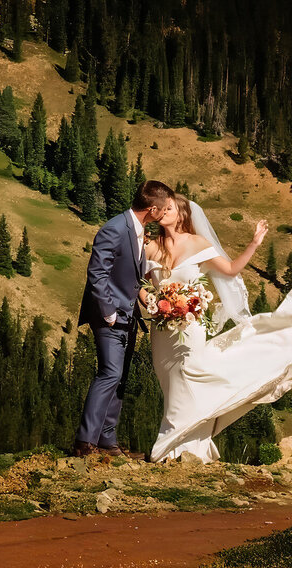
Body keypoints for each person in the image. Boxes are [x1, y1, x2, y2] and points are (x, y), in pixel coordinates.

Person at [143, 194, 292, 462]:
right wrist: (154, 304)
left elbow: (229, 270)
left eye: (170, 208)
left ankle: (174, 447)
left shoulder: (197, 244)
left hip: (189, 329)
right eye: (162, 208)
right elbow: (142, 283)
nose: (164, 212)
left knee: (188, 381)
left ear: (182, 215)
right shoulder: (150, 247)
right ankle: (193, 449)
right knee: (170, 386)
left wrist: (253, 243)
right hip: (162, 332)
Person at [74, 180, 175, 457]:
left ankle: (107, 440)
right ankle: (85, 442)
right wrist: (109, 312)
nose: (166, 212)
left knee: (120, 378)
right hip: (110, 317)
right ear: (152, 208)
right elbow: (97, 273)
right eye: (164, 208)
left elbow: (129, 276)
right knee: (109, 374)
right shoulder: (115, 228)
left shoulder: (138, 230)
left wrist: (145, 299)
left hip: (128, 317)